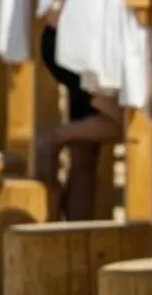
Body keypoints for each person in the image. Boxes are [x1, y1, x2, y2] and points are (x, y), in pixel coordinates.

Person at [32, 24, 121, 220]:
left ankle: (72, 233)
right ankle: (53, 138)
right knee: (125, 123)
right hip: (83, 40)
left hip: (75, 36)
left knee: (85, 153)